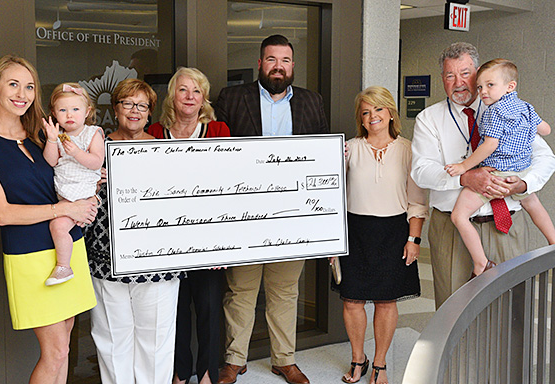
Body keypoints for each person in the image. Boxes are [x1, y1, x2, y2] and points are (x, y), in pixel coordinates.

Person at [0, 55, 97, 383]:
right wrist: (65, 210)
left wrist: (91, 189)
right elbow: (2, 213)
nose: (22, 93)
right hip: (29, 255)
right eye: (13, 84)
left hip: (68, 246)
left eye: (30, 86)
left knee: (65, 343)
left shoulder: (41, 134)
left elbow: (73, 172)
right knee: (56, 352)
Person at [215, 34, 328, 384]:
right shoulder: (233, 98)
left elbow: (321, 154)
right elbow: (216, 153)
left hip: (291, 216)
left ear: (293, 66)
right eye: (271, 59)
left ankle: (284, 359)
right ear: (260, 62)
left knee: (284, 291)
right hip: (245, 214)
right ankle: (235, 359)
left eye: (285, 61)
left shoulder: (311, 101)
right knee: (241, 291)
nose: (278, 66)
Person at [411, 42, 555, 309]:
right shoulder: (428, 119)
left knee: (512, 309)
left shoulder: (511, 111)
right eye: (450, 75)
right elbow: (421, 171)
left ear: (478, 73)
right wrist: (463, 178)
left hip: (505, 224)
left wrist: (523, 184)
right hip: (452, 230)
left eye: (465, 73)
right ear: (442, 78)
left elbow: (545, 158)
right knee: (452, 312)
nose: (459, 83)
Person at [84, 78, 183, 383]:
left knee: (156, 343)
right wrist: (91, 182)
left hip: (157, 262)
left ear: (150, 112)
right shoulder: (93, 151)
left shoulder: (166, 152)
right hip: (106, 260)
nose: (134, 111)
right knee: (112, 341)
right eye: (127, 103)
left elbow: (181, 203)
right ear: (115, 109)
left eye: (142, 105)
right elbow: (68, 191)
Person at [336, 86, 427, 384]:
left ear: (390, 113)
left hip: (393, 232)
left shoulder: (409, 149)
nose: (372, 116)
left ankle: (380, 363)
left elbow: (417, 200)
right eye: (365, 112)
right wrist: (332, 241)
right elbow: (332, 197)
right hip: (355, 231)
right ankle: (357, 358)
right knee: (352, 301)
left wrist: (413, 239)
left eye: (378, 109)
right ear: (360, 119)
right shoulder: (348, 148)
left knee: (386, 301)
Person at [147, 67, 230, 384]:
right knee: (175, 308)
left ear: (204, 97)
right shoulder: (155, 131)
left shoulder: (218, 129)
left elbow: (231, 182)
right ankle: (180, 373)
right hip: (166, 236)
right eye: (183, 90)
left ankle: (208, 373)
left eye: (197, 91)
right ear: (172, 95)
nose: (190, 96)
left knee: (209, 307)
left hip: (208, 236)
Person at [444, 59, 555, 279]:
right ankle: (553, 241)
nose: (483, 92)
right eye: (480, 87)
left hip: (497, 173)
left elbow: (490, 145)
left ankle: (481, 263)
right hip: (521, 172)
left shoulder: (494, 112)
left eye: (490, 85)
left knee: (459, 216)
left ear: (510, 86)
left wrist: (464, 166)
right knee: (534, 205)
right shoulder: (526, 107)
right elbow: (546, 129)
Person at [43, 83, 104, 286]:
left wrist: (77, 152)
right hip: (66, 195)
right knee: (59, 227)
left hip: (84, 192)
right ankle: (66, 266)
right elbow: (51, 161)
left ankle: (63, 266)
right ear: (54, 113)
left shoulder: (93, 133)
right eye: (63, 110)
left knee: (57, 225)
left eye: (75, 109)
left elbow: (97, 162)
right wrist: (52, 140)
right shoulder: (59, 135)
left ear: (87, 112)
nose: (69, 114)